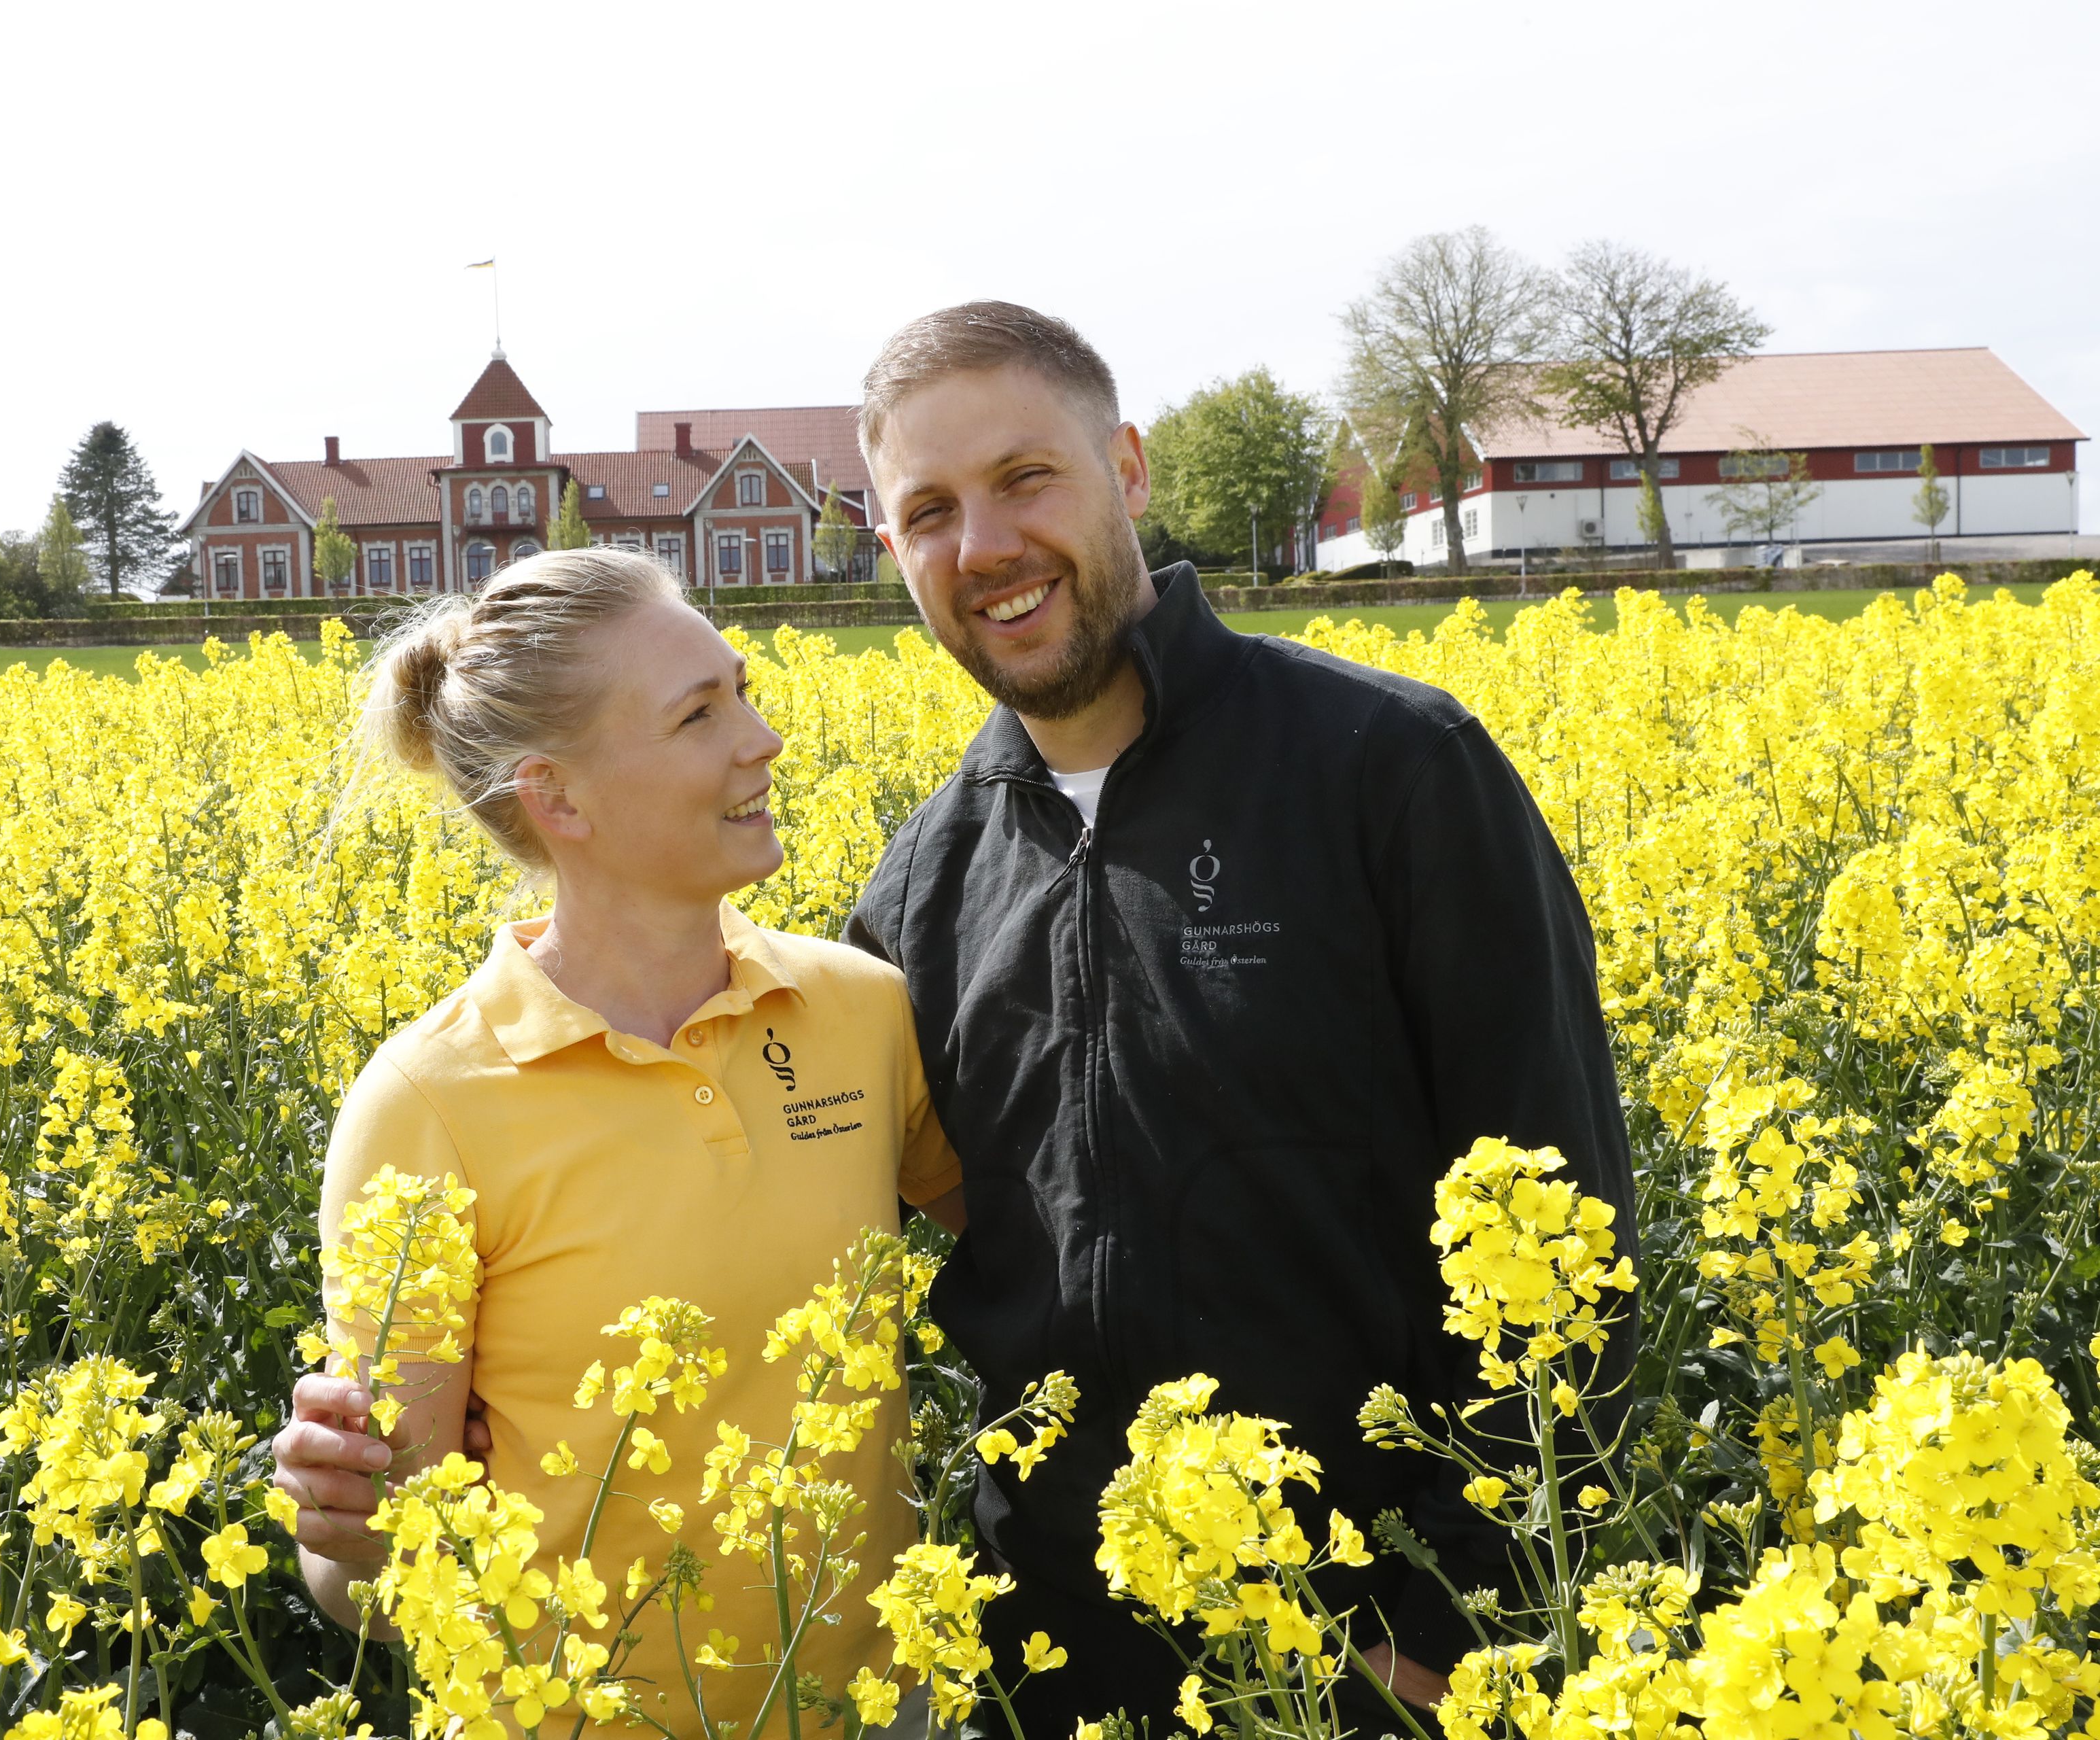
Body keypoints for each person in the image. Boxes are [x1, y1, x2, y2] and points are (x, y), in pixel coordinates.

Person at [840, 302, 1637, 1735]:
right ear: (894, 550)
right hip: (1057, 1674)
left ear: (1129, 469)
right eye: (931, 511)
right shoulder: (918, 888)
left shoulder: (1392, 770)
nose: (987, 548)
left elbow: (1569, 1208)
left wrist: (1468, 1617)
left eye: (1029, 477)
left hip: (1379, 1660)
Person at [266, 549, 962, 1737]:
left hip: (881, 1706)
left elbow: (1046, 1263)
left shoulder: (864, 1011)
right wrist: (346, 1531)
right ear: (562, 798)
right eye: (700, 715)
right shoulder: (428, 1104)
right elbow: (380, 1581)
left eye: (742, 690)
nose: (763, 739)